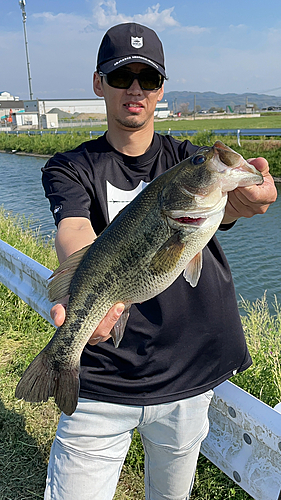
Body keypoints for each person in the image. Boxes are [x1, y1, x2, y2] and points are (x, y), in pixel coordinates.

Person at [41, 22, 277, 500]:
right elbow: (74, 231)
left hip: (189, 378)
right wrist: (90, 304)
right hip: (102, 379)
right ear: (97, 83)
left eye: (147, 79)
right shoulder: (69, 166)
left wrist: (252, 194)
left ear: (161, 89)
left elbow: (227, 204)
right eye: (121, 75)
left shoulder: (187, 161)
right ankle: (58, 360)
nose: (134, 89)